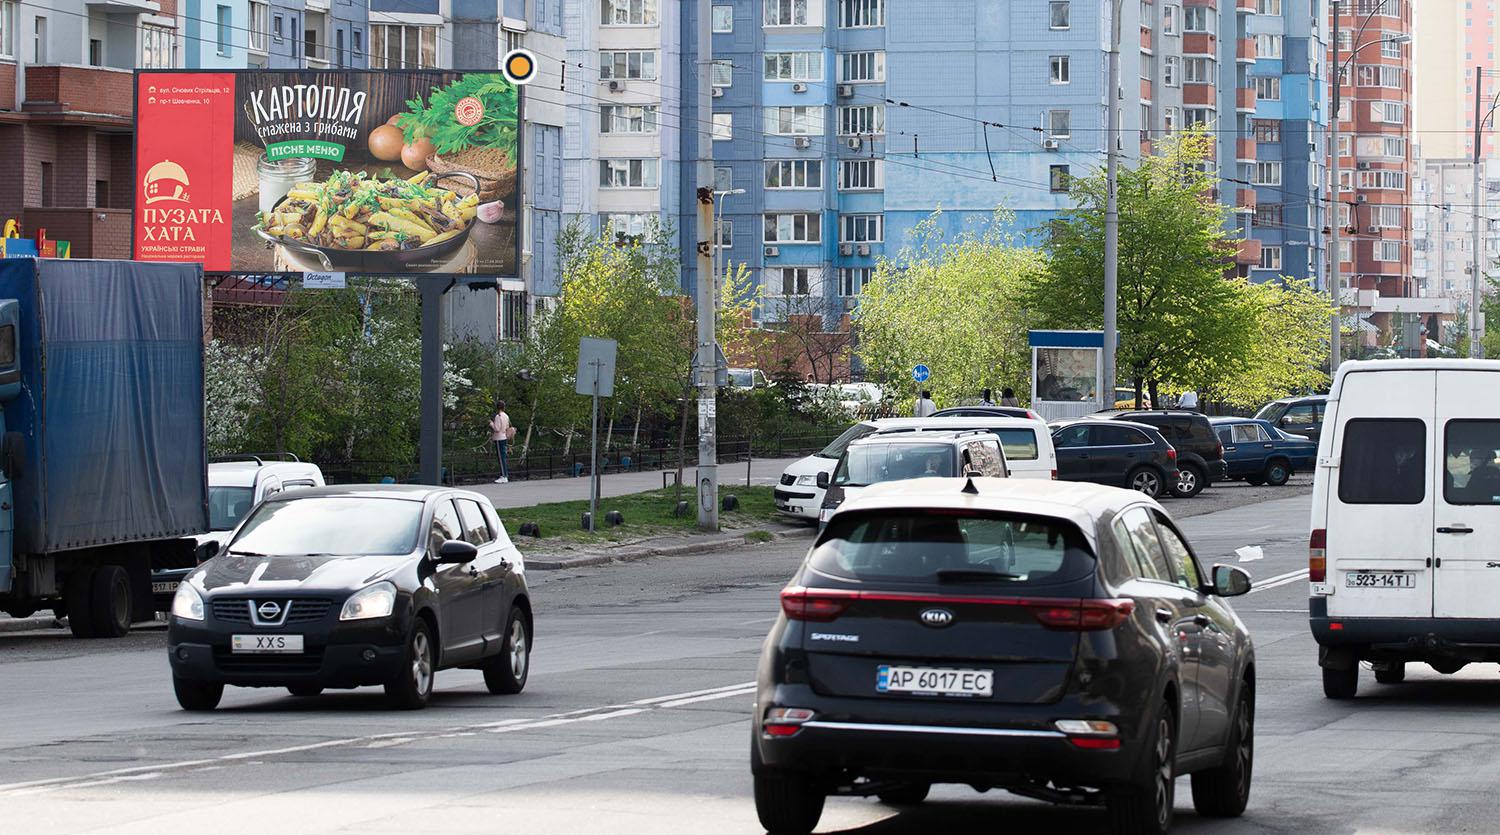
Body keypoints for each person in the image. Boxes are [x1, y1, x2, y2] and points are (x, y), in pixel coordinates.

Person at [489, 401, 515, 484]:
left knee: (501, 458)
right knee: (503, 457)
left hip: (499, 438)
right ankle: (504, 474)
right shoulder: (506, 416)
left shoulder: (498, 416)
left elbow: (497, 428)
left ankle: (504, 476)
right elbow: (507, 426)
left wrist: (491, 424)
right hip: (504, 437)